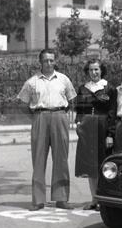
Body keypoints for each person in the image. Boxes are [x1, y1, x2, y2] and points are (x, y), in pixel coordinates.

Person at [17, 49, 77, 211]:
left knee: (61, 159)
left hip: (59, 116)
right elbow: (22, 103)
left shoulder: (64, 79)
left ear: (55, 61)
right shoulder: (32, 82)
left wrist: (62, 114)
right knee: (38, 159)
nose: (49, 63)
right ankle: (38, 200)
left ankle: (61, 198)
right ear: (40, 62)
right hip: (40, 117)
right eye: (45, 60)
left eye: (51, 60)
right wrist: (36, 116)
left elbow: (71, 99)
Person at [74, 59, 117, 209]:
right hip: (87, 129)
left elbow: (112, 112)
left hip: (102, 128)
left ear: (101, 70)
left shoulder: (109, 88)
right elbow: (79, 110)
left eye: (96, 69)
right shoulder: (82, 88)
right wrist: (78, 124)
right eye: (91, 70)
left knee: (102, 164)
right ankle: (94, 199)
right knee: (90, 165)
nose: (94, 72)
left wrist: (110, 134)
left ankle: (103, 199)